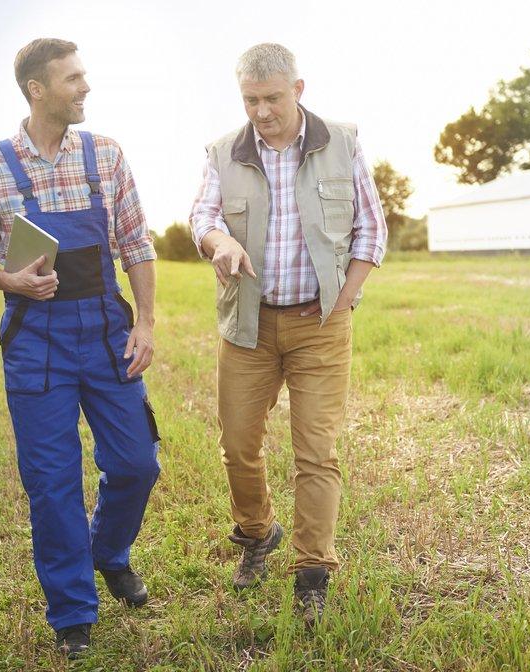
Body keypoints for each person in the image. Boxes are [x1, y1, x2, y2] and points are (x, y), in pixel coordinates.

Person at [0, 38, 161, 658]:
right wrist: (9, 279)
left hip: (103, 330)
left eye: (84, 75)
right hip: (34, 338)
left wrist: (144, 323)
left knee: (136, 462)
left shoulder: (106, 155)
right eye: (73, 79)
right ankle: (73, 614)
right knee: (52, 481)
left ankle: (109, 552)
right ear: (37, 90)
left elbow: (136, 243)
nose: (86, 86)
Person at [189, 43, 387, 627]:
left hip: (320, 326)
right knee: (238, 445)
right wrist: (219, 242)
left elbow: (370, 230)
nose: (261, 111)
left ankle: (312, 572)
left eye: (272, 98)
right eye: (250, 100)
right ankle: (256, 534)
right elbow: (203, 216)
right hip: (248, 326)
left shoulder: (342, 142)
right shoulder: (224, 153)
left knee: (316, 452)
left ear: (298, 89)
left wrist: (344, 302)